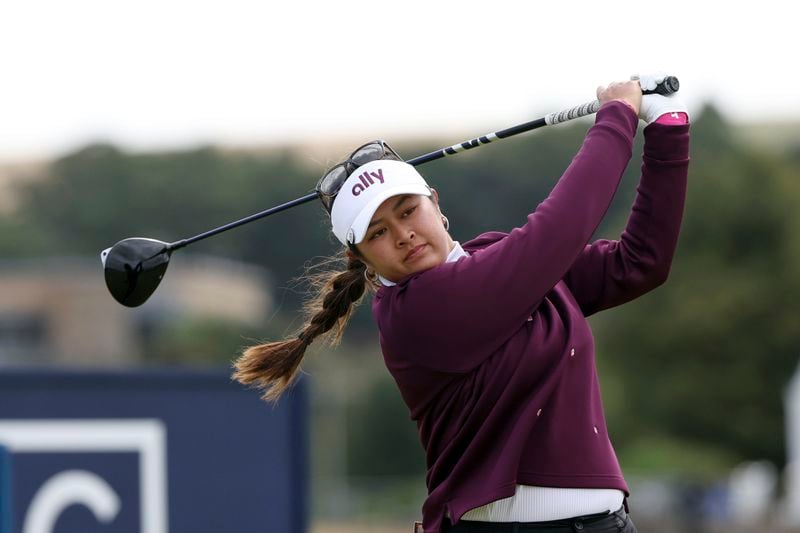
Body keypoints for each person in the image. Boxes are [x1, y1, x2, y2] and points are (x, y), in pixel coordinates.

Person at [233, 74, 690, 533]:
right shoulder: (417, 311)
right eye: (378, 233)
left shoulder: (494, 259)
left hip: (605, 524)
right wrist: (615, 120)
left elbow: (638, 263)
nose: (403, 234)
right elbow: (558, 231)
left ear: (435, 201)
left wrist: (666, 132)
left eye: (407, 210)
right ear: (362, 259)